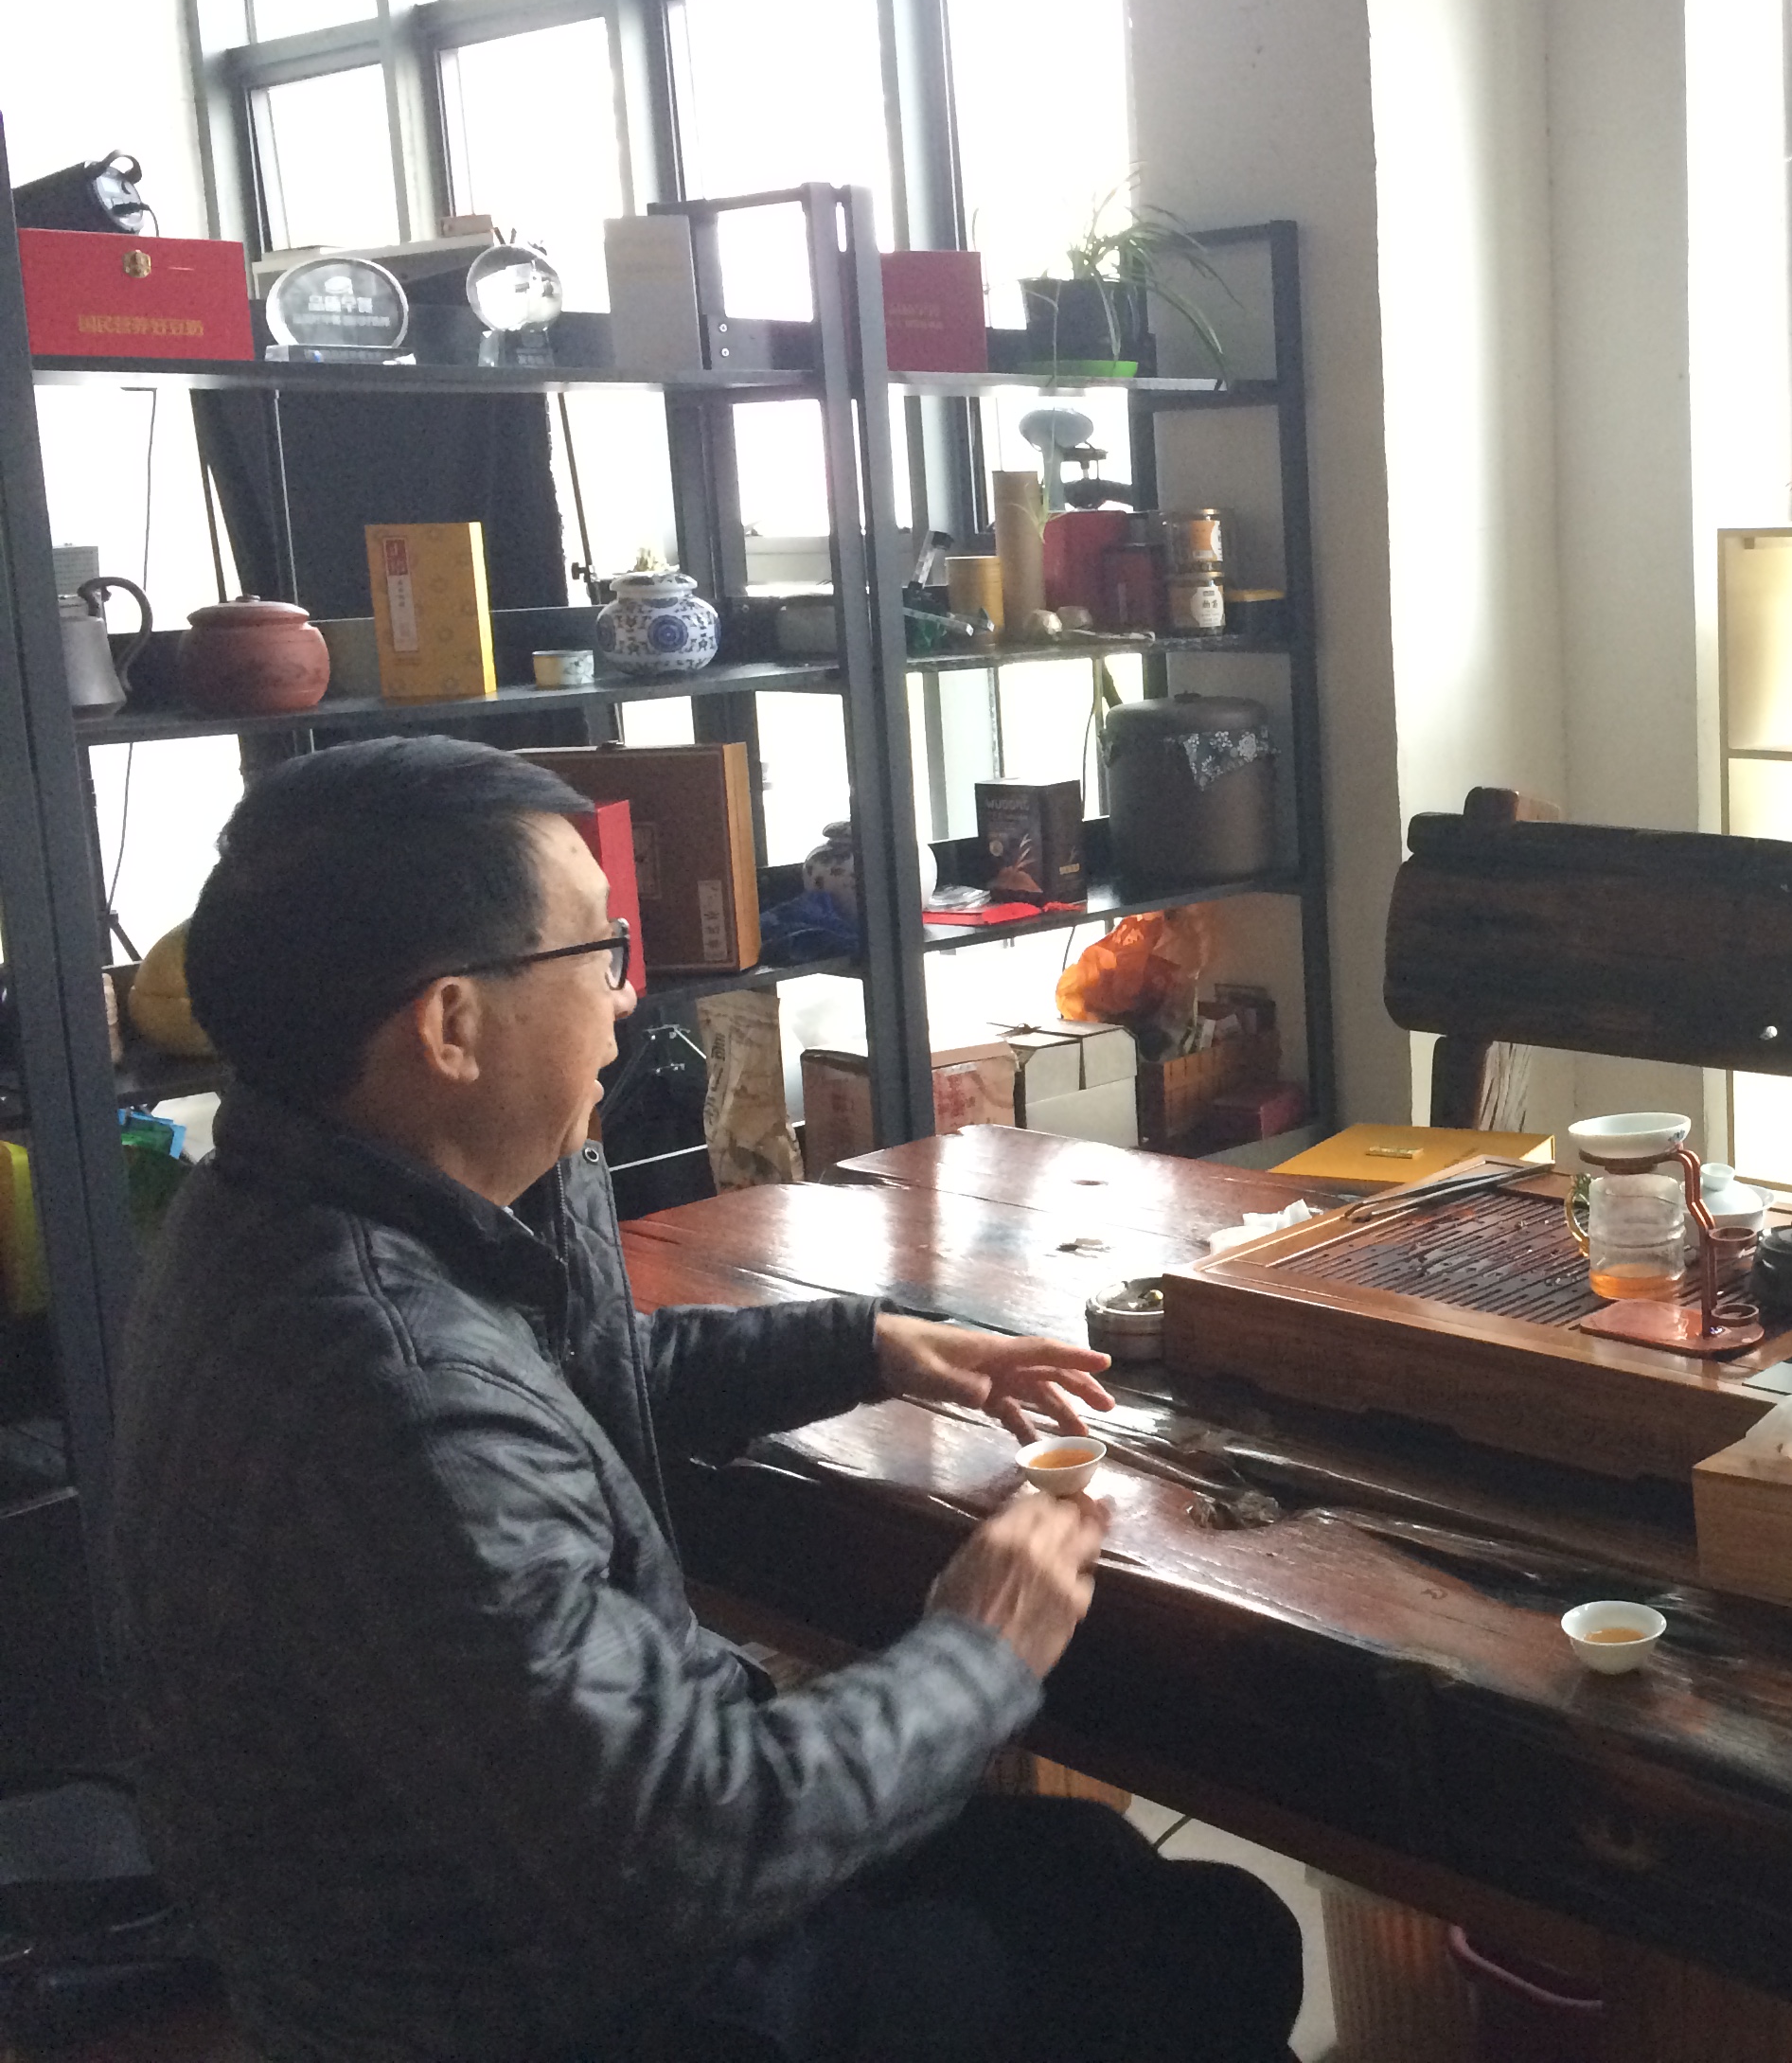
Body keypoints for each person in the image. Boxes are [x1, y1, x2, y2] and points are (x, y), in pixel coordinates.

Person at [107, 738, 1304, 2063]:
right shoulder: (389, 1393)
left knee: (1087, 1870)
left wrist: (870, 1345)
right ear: (449, 1026)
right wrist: (985, 1642)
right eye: (598, 955)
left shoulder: (287, 1205)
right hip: (555, 2004)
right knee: (1203, 1948)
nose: (629, 1001)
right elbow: (694, 1848)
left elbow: (565, 1386)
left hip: (498, 1911)